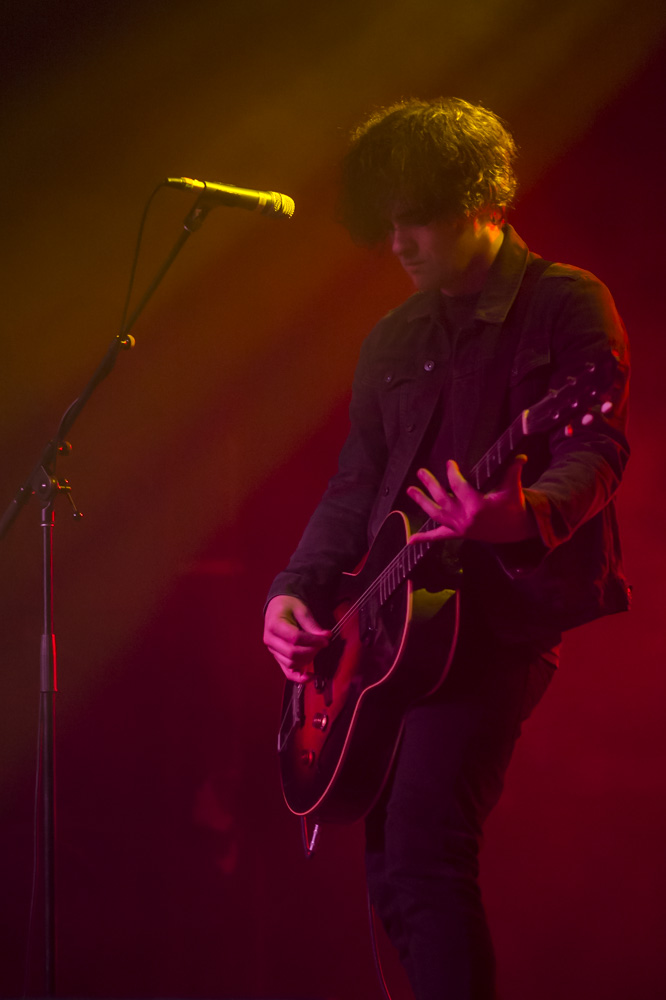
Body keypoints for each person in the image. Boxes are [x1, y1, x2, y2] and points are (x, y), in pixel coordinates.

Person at [263, 98, 630, 1000]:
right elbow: (356, 486)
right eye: (386, 225)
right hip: (394, 640)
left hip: (497, 631)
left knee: (425, 860)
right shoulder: (393, 336)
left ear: (479, 198)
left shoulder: (565, 304)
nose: (399, 245)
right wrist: (294, 593)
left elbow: (600, 449)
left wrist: (523, 513)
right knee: (392, 876)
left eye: (414, 219)